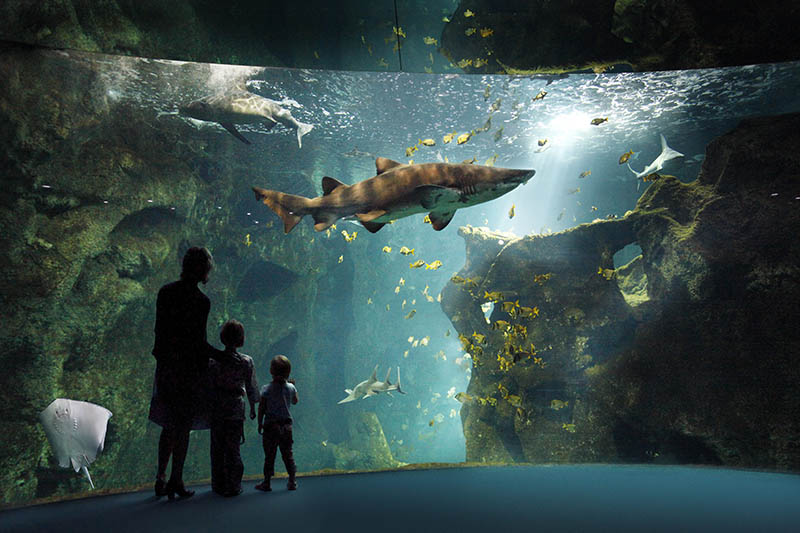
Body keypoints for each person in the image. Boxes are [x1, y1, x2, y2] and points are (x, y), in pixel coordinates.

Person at [148, 246, 223, 500]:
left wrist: (164, 359)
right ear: (203, 270)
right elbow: (198, 343)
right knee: (183, 426)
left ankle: (160, 478)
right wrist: (222, 356)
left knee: (169, 424)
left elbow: (161, 332)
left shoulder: (166, 292)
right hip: (189, 372)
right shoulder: (201, 302)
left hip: (168, 367)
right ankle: (176, 479)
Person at [207, 319, 259, 497]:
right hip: (236, 410)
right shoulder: (246, 361)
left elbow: (209, 385)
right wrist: (253, 407)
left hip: (217, 409)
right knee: (233, 447)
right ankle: (234, 485)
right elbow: (251, 388)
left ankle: (218, 484)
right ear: (241, 339)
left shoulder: (213, 361)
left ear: (222, 337)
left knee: (217, 447)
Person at [255, 355, 298, 492]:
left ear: (271, 371)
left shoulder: (266, 389)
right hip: (286, 427)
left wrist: (259, 422)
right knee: (288, 454)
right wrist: (294, 387)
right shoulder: (291, 387)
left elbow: (261, 407)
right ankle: (292, 481)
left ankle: (267, 483)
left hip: (270, 427)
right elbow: (295, 401)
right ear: (288, 373)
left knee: (269, 455)